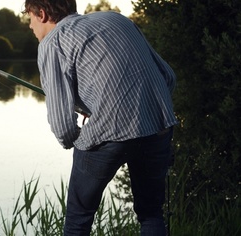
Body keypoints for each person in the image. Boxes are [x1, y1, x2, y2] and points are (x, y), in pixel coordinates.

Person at [22, 0, 178, 235]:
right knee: (151, 215)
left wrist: (78, 137)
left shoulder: (52, 43)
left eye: (29, 18)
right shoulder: (117, 19)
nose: (30, 26)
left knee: (78, 221)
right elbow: (168, 76)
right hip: (159, 126)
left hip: (107, 136)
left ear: (41, 14)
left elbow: (62, 126)